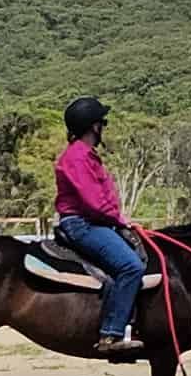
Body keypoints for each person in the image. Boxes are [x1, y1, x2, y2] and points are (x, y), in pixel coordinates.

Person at [53, 97, 145, 355]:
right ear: (94, 126)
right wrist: (120, 221)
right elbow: (94, 202)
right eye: (102, 122)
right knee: (130, 266)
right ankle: (112, 334)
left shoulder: (84, 155)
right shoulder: (78, 158)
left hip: (92, 222)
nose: (103, 127)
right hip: (83, 224)